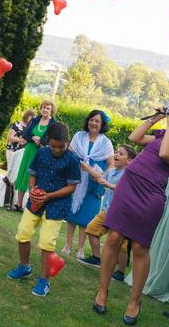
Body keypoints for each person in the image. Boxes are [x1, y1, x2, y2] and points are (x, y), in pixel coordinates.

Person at [94, 108, 169, 325]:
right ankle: (102, 291)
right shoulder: (164, 134)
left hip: (151, 196)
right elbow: (135, 138)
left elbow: (165, 155)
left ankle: (135, 301)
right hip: (128, 187)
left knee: (140, 248)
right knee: (113, 238)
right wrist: (154, 119)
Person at [7, 121, 81, 297]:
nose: (56, 150)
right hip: (36, 202)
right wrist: (33, 190)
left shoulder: (72, 160)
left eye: (61, 147)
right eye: (53, 146)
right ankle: (24, 267)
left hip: (57, 205)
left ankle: (44, 280)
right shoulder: (41, 153)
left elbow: (72, 187)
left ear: (68, 141)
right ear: (48, 141)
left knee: (47, 243)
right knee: (23, 232)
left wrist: (49, 196)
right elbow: (33, 174)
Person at [64, 110, 115, 257]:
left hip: (93, 183)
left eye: (97, 121)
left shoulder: (106, 142)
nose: (93, 123)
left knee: (86, 216)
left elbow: (111, 165)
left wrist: (100, 176)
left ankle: (80, 248)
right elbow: (69, 154)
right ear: (88, 121)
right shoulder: (79, 136)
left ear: (102, 124)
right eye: (91, 120)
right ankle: (67, 245)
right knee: (71, 213)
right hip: (76, 178)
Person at [81, 144, 136, 276]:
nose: (116, 155)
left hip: (121, 215)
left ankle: (120, 272)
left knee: (121, 245)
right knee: (91, 229)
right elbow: (100, 178)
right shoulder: (111, 171)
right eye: (116, 152)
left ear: (129, 161)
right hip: (106, 211)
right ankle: (96, 258)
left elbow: (124, 190)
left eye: (121, 154)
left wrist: (109, 185)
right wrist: (88, 169)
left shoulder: (130, 174)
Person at [13, 100, 57, 198]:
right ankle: (18, 204)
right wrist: (33, 137)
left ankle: (30, 205)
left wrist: (40, 141)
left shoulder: (53, 124)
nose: (45, 110)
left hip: (41, 153)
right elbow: (25, 134)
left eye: (48, 108)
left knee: (35, 178)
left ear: (52, 111)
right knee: (24, 175)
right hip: (29, 150)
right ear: (41, 109)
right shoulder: (35, 120)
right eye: (43, 108)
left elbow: (51, 139)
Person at [5, 109, 37, 210]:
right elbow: (9, 137)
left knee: (18, 175)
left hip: (22, 154)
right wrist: (20, 140)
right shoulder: (17, 124)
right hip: (12, 151)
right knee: (11, 174)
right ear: (26, 116)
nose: (31, 120)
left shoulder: (31, 128)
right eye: (30, 118)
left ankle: (15, 202)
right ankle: (8, 200)